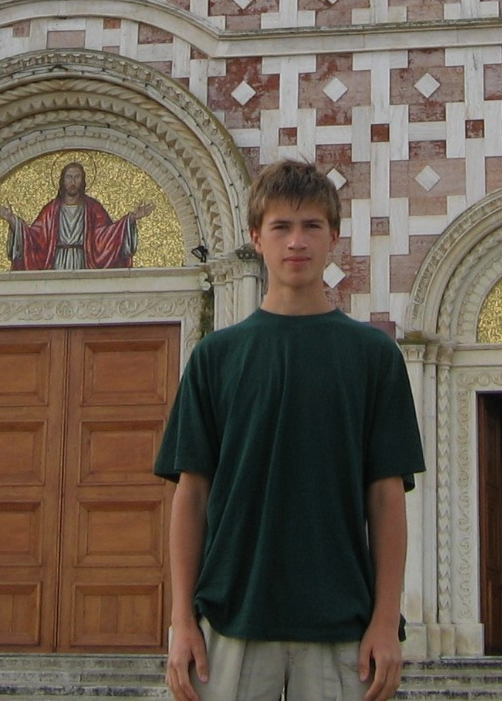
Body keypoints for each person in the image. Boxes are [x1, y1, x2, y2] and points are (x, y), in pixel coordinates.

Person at [155, 159, 425, 701]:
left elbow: (386, 496)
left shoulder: (373, 355)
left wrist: (386, 620)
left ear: (334, 238)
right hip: (231, 621)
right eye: (280, 227)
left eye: (311, 227)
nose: (296, 242)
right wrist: (182, 621)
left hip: (342, 625)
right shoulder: (216, 356)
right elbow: (192, 495)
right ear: (256, 238)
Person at [0, 160, 154, 270]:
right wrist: (12, 220)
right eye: (69, 177)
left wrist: (131, 218)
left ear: (83, 181)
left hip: (84, 259)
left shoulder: (92, 208)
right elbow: (36, 236)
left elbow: (106, 235)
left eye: (77, 177)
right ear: (62, 181)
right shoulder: (52, 209)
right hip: (57, 260)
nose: (73, 182)